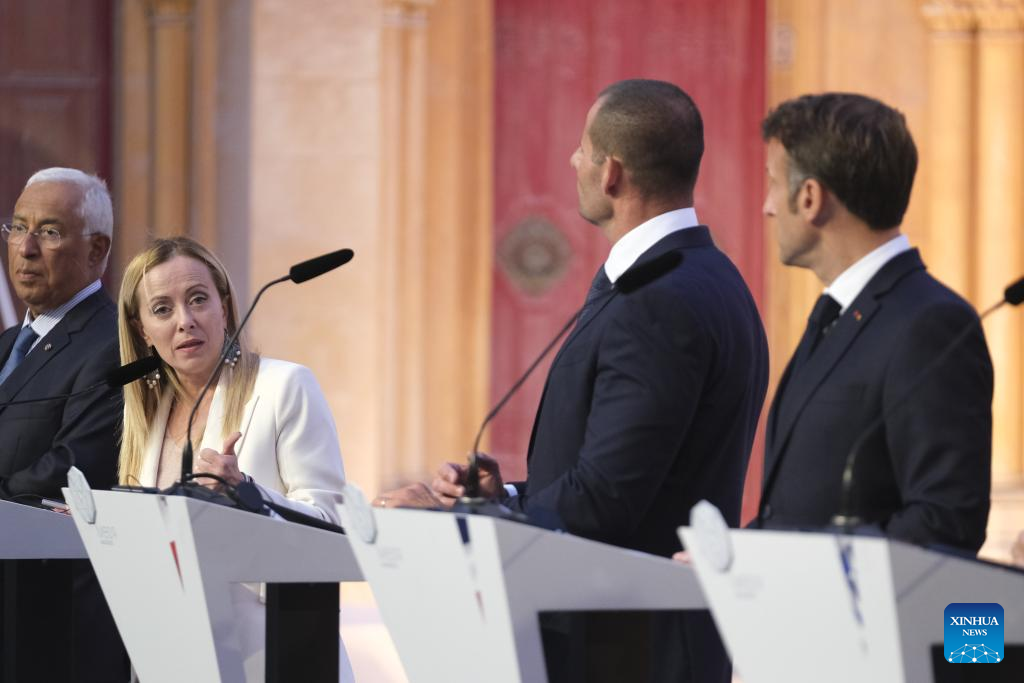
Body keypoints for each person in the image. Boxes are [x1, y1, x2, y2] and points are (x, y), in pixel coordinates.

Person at [385, 79, 769, 683]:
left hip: (626, 646)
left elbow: (607, 500)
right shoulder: (713, 276)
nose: (572, 161)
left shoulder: (658, 300)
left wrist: (452, 521)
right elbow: (628, 473)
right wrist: (506, 499)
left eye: (583, 150)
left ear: (610, 172)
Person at [758, 93, 993, 552]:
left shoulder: (932, 324)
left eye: (772, 182)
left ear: (810, 198)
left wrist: (787, 564)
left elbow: (944, 522)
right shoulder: (836, 311)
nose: (767, 206)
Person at [116, 236, 353, 681]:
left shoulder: (285, 386)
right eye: (162, 309)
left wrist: (246, 494)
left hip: (277, 652)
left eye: (198, 299)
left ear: (223, 306)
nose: (185, 321)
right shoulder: (146, 419)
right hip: (176, 656)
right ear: (142, 329)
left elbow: (334, 529)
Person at [0, 167, 127, 681]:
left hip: (53, 623)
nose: (25, 248)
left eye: (49, 232)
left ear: (97, 251)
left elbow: (72, 468)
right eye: (17, 227)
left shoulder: (114, 344)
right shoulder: (9, 344)